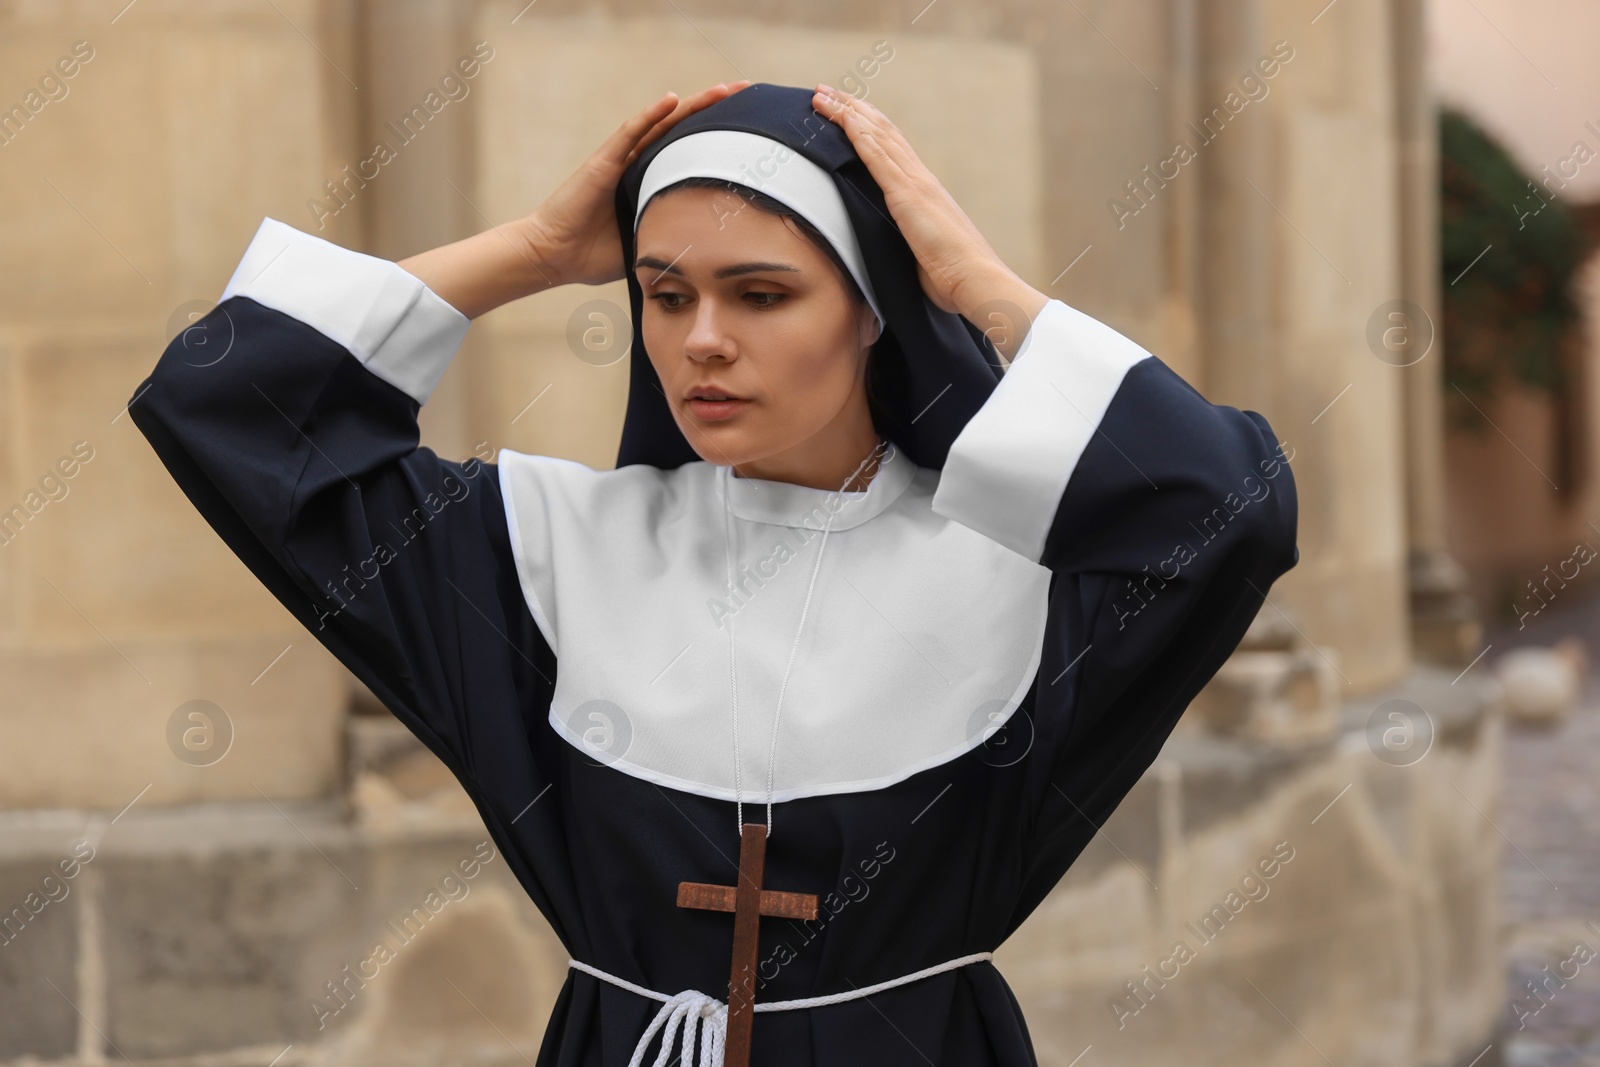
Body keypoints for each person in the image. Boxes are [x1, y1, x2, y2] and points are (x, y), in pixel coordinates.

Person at [129, 80, 1299, 1066]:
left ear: (875, 310)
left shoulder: (1008, 575)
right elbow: (224, 403)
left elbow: (1228, 506)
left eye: (761, 293)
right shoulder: (545, 553)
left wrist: (972, 282)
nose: (700, 342)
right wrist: (532, 253)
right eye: (665, 293)